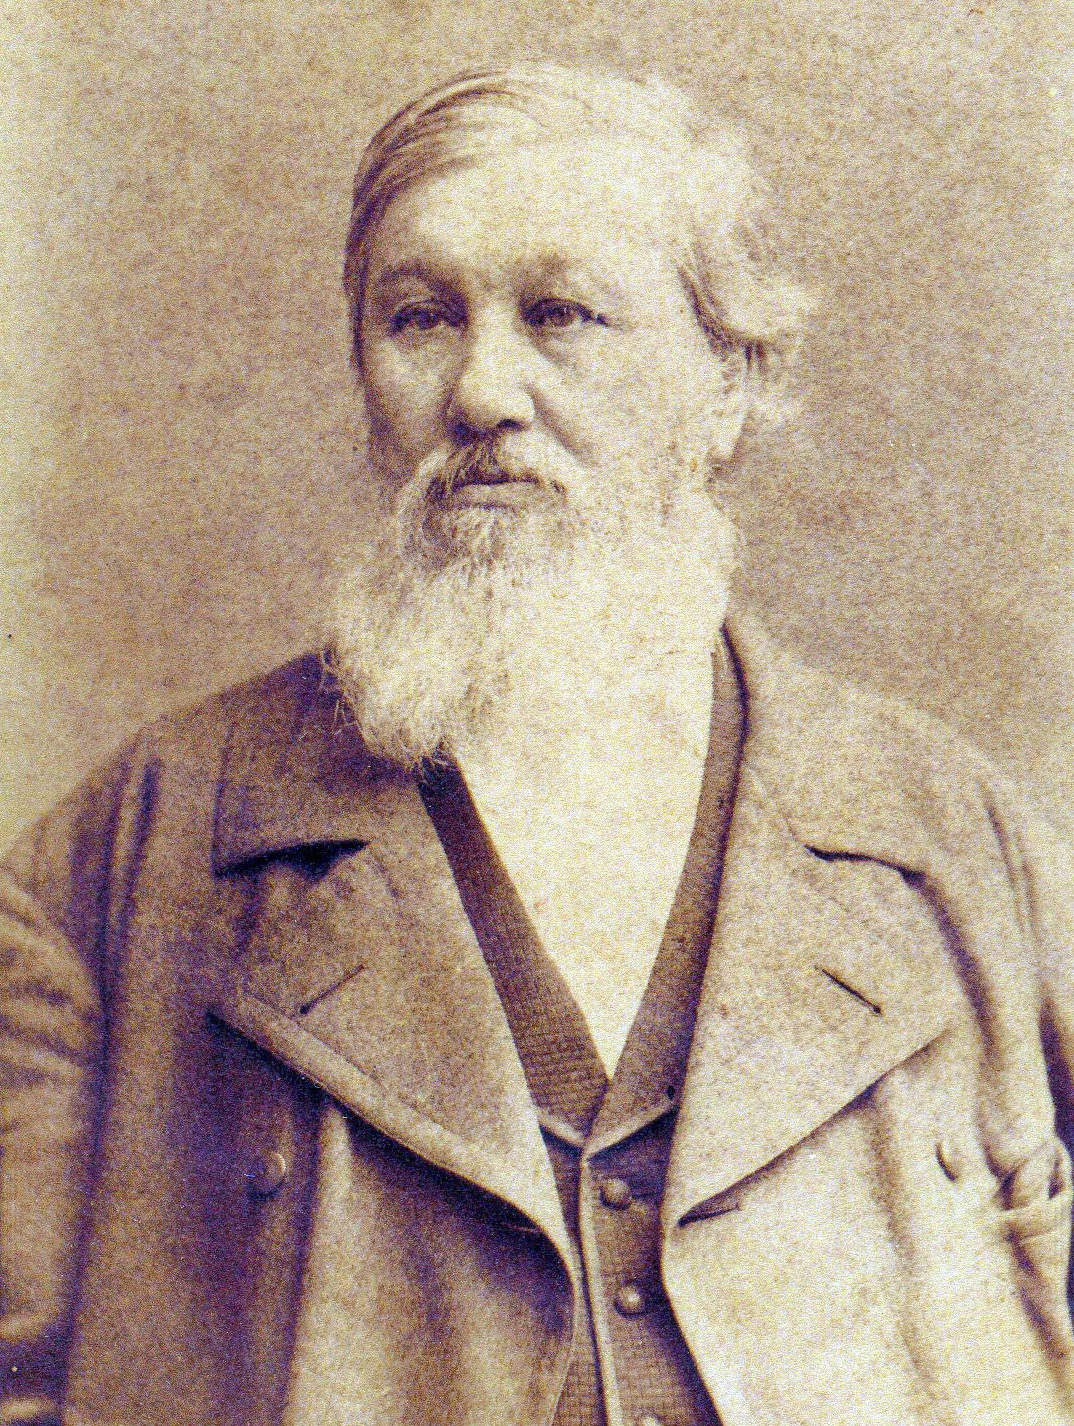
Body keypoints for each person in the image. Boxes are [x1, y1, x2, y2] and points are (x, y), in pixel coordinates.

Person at [3, 62, 1074, 1426]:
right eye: (419, 319)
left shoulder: (960, 846)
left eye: (561, 315)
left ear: (730, 382)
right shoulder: (123, 863)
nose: (481, 393)